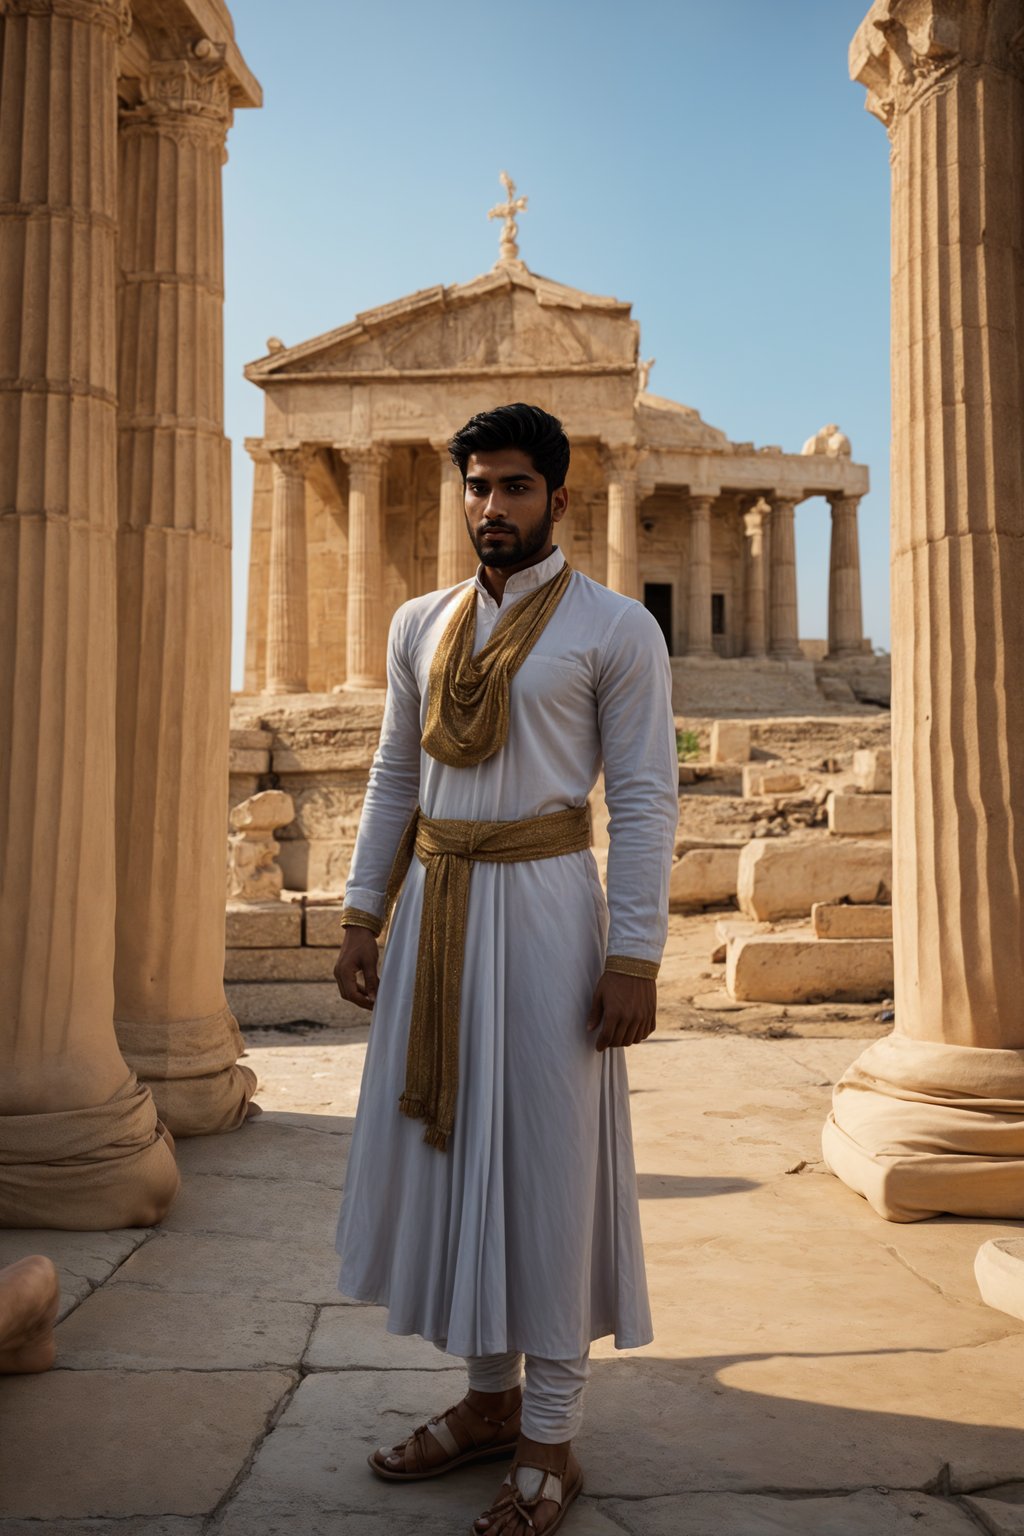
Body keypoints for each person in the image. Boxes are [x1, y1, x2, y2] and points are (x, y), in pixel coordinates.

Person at [334, 402, 678, 1535]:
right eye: (477, 486)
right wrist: (359, 912)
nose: (492, 507)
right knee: (456, 1159)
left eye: (515, 487)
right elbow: (395, 775)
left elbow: (639, 797)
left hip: (544, 911)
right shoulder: (419, 623)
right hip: (436, 908)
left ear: (558, 499)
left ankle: (551, 1437)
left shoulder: (616, 629)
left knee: (545, 1162)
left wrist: (633, 952)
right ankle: (488, 1405)